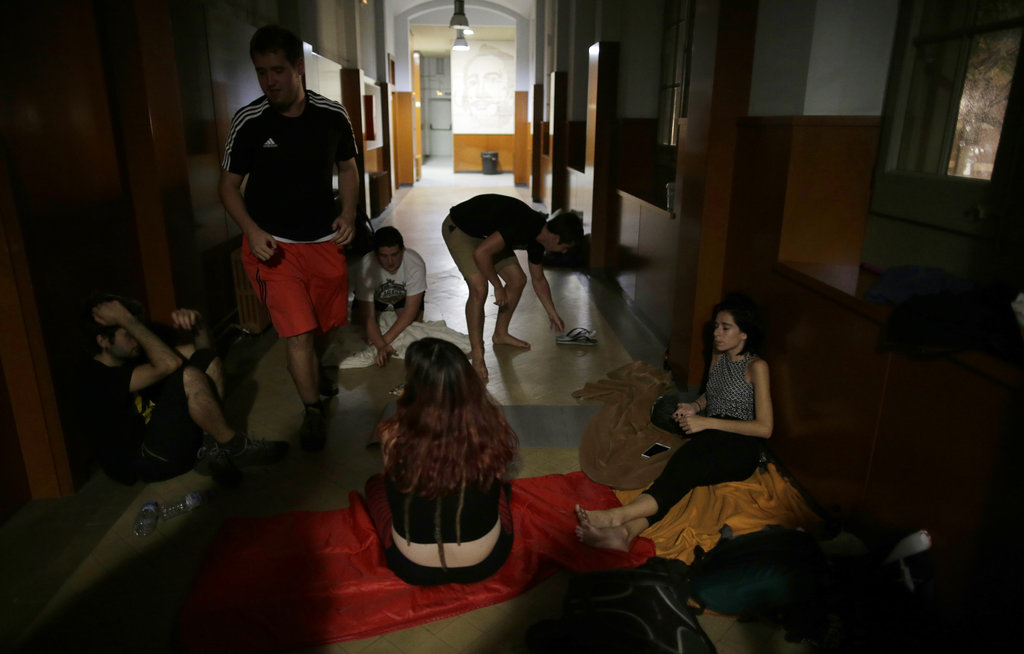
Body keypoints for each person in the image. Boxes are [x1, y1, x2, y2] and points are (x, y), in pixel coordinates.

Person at [218, 24, 360, 452]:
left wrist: (349, 212)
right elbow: (227, 187)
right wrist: (251, 229)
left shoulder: (333, 115)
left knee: (326, 327)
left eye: (277, 70)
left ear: (299, 67)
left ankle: (313, 371)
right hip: (273, 249)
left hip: (323, 244)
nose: (269, 81)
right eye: (261, 72)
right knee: (297, 333)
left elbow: (348, 168)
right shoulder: (249, 120)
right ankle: (312, 410)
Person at [574, 294, 773, 551]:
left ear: (744, 333)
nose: (717, 333)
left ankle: (618, 516)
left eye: (726, 328)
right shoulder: (718, 355)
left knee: (684, 467)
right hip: (710, 434)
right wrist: (695, 407)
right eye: (716, 326)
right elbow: (710, 395)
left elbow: (765, 428)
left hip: (741, 446)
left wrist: (706, 422)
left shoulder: (757, 366)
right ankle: (625, 531)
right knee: (681, 472)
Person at [76, 294, 288, 487]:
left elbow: (204, 354)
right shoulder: (94, 377)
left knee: (204, 362)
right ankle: (236, 446)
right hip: (147, 460)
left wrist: (199, 325)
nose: (136, 337)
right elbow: (170, 364)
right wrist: (127, 321)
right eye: (128, 333)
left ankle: (212, 450)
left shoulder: (132, 352)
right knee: (188, 374)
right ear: (103, 341)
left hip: (171, 438)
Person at [364, 338, 518, 585]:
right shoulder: (491, 428)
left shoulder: (390, 433)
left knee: (375, 485)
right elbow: (495, 474)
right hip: (483, 564)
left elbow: (395, 487)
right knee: (498, 488)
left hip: (413, 568)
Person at [442, 194, 584, 380]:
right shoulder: (523, 226)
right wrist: (497, 286)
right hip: (460, 228)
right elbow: (481, 254)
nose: (564, 252)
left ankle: (500, 334)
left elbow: (539, 279)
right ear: (555, 238)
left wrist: (552, 312)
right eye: (565, 247)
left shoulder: (538, 240)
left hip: (486, 236)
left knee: (517, 280)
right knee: (479, 288)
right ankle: (477, 354)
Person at [355, 226, 427, 367]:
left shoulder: (415, 263)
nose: (390, 262)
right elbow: (368, 316)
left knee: (414, 328)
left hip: (402, 297)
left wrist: (383, 342)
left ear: (403, 250)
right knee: (357, 330)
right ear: (375, 255)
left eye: (394, 255)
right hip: (377, 298)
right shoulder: (366, 266)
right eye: (384, 256)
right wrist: (381, 345)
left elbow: (409, 312)